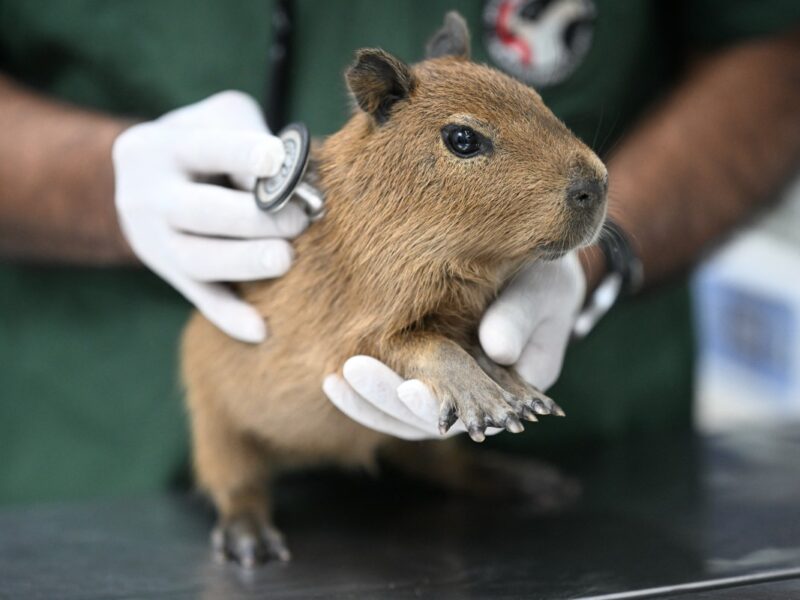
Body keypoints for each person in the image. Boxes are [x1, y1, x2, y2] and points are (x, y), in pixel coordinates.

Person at [1, 0, 799, 505]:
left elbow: (771, 50)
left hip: (583, 466)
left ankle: (461, 462)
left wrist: (597, 262)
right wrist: (101, 182)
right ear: (376, 98)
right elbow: (383, 328)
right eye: (462, 142)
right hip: (101, 467)